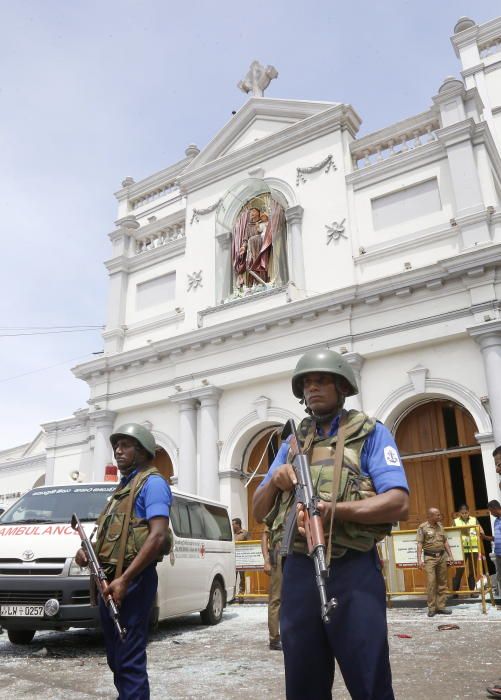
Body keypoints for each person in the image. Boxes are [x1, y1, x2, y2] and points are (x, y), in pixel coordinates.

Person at [253, 348, 409, 700]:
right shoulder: (292, 441)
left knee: (368, 678)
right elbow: (259, 507)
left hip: (352, 569)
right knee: (303, 681)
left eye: (322, 380)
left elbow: (398, 502)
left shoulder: (369, 433)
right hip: (298, 573)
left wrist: (332, 511)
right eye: (307, 383)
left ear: (342, 386)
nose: (313, 388)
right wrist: (277, 479)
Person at [75, 423, 171, 700]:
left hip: (133, 581)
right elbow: (118, 536)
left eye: (126, 445)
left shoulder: (153, 484)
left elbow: (157, 535)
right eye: (116, 446)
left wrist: (125, 580)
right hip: (112, 582)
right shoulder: (123, 488)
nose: (118, 450)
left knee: (129, 658)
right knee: (117, 658)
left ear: (143, 450)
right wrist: (88, 552)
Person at [416, 507, 454, 617]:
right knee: (431, 583)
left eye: (439, 514)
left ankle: (441, 606)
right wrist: (419, 560)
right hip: (430, 558)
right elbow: (419, 544)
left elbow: (445, 541)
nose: (440, 516)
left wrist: (450, 556)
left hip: (442, 557)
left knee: (442, 583)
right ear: (430, 516)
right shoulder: (423, 527)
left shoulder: (440, 526)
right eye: (437, 515)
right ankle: (431, 608)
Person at [452, 504, 485, 597]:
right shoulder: (455, 521)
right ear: (459, 513)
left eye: (466, 513)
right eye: (462, 513)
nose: (464, 514)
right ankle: (455, 592)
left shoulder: (474, 520)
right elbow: (452, 533)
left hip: (473, 548)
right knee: (459, 570)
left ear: (468, 512)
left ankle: (472, 592)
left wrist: (480, 533)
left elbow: (481, 531)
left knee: (473, 570)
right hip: (461, 550)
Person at [261, 525, 282, 651]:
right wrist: (266, 560)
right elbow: (265, 536)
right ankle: (274, 638)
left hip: (299, 552)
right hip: (279, 551)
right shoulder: (277, 506)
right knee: (276, 598)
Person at [232, 517, 249, 597]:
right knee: (233, 577)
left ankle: (241, 594)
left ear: (238, 525)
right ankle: (232, 595)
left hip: (242, 558)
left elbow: (250, 544)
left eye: (233, 524)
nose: (232, 526)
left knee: (242, 577)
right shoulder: (231, 534)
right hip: (232, 559)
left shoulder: (245, 533)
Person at [488, 500, 501, 597]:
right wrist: (484, 537)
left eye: (490, 511)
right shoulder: (496, 521)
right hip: (498, 553)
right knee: (500, 576)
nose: (491, 514)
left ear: (495, 508)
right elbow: (496, 538)